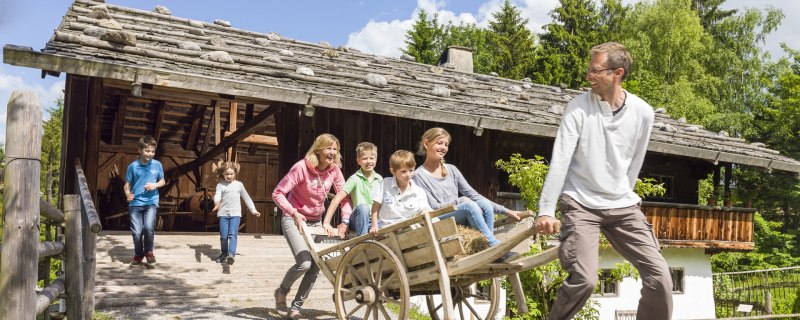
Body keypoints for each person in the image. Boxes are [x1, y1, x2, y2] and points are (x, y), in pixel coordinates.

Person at [534, 42, 673, 319]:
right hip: (581, 203)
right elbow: (560, 159)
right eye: (589, 70)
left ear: (617, 72)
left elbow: (635, 162)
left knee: (661, 279)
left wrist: (622, 192)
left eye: (596, 70)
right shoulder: (578, 108)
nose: (589, 76)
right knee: (585, 280)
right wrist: (546, 210)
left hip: (623, 206)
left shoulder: (643, 112)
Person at [271, 133, 352, 319]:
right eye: (328, 148)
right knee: (304, 263)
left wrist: (344, 220)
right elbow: (278, 193)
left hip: (316, 222)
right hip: (294, 219)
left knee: (316, 267)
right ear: (318, 149)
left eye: (335, 149)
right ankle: (281, 292)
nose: (332, 152)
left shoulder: (335, 171)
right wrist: (293, 212)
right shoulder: (301, 167)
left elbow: (344, 198)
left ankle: (296, 308)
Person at [413, 127, 527, 251]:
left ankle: (486, 246)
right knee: (469, 206)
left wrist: (507, 211)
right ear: (426, 143)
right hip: (440, 218)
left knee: (484, 204)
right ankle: (492, 245)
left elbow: (474, 195)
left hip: (458, 212)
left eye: (446, 144)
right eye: (439, 143)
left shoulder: (451, 169)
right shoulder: (419, 176)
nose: (444, 148)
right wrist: (460, 201)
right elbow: (434, 207)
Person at [322, 142, 382, 238]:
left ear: (376, 159)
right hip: (358, 217)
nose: (369, 161)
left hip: (375, 220)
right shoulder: (354, 179)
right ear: (358, 161)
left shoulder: (379, 179)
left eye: (372, 158)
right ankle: (363, 242)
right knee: (363, 208)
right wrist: (326, 222)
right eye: (365, 158)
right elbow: (337, 199)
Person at [124, 135, 165, 269]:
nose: (150, 154)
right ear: (139, 150)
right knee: (137, 231)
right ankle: (138, 254)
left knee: (148, 228)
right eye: (147, 151)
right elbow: (127, 184)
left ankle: (149, 252)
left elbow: (162, 181)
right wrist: (127, 194)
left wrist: (154, 186)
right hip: (135, 203)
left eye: (152, 151)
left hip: (151, 201)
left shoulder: (157, 165)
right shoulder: (132, 167)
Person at [211, 160, 261, 265]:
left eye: (231, 174)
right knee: (223, 237)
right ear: (223, 174)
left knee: (233, 235)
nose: (229, 176)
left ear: (235, 173)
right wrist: (216, 203)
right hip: (223, 214)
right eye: (227, 174)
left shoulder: (239, 185)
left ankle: (231, 255)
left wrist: (253, 210)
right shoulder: (220, 185)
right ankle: (224, 253)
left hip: (235, 215)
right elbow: (217, 196)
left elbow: (246, 198)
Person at [370, 150, 432, 233]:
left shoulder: (418, 192)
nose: (408, 175)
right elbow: (375, 206)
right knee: (412, 226)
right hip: (392, 227)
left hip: (412, 224)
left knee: (429, 215)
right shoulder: (385, 184)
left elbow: (426, 211)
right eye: (403, 171)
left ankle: (445, 238)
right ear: (393, 171)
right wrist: (374, 226)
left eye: (411, 170)